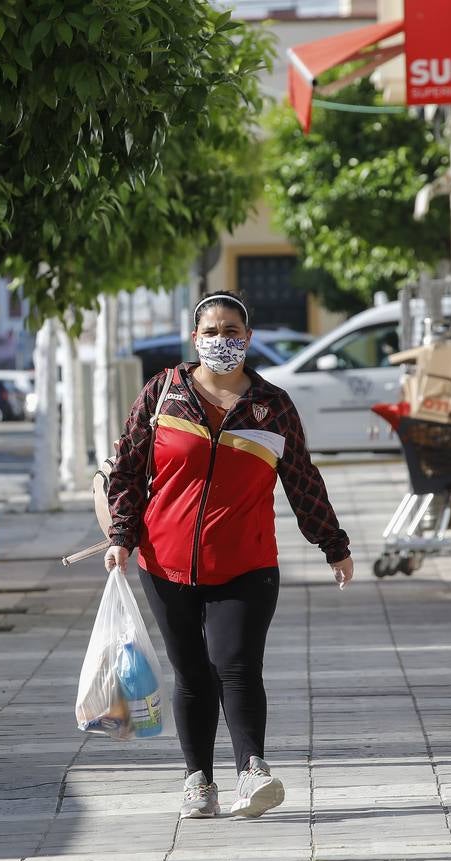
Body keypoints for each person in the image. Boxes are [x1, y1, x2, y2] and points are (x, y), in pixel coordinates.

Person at [104, 291, 353, 820]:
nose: (222, 340)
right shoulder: (162, 395)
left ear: (249, 336)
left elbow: (302, 479)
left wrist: (333, 543)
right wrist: (122, 536)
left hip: (248, 562)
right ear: (195, 339)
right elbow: (127, 470)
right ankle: (199, 782)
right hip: (165, 562)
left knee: (237, 664)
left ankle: (253, 770)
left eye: (232, 330)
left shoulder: (272, 405)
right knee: (192, 672)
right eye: (211, 331)